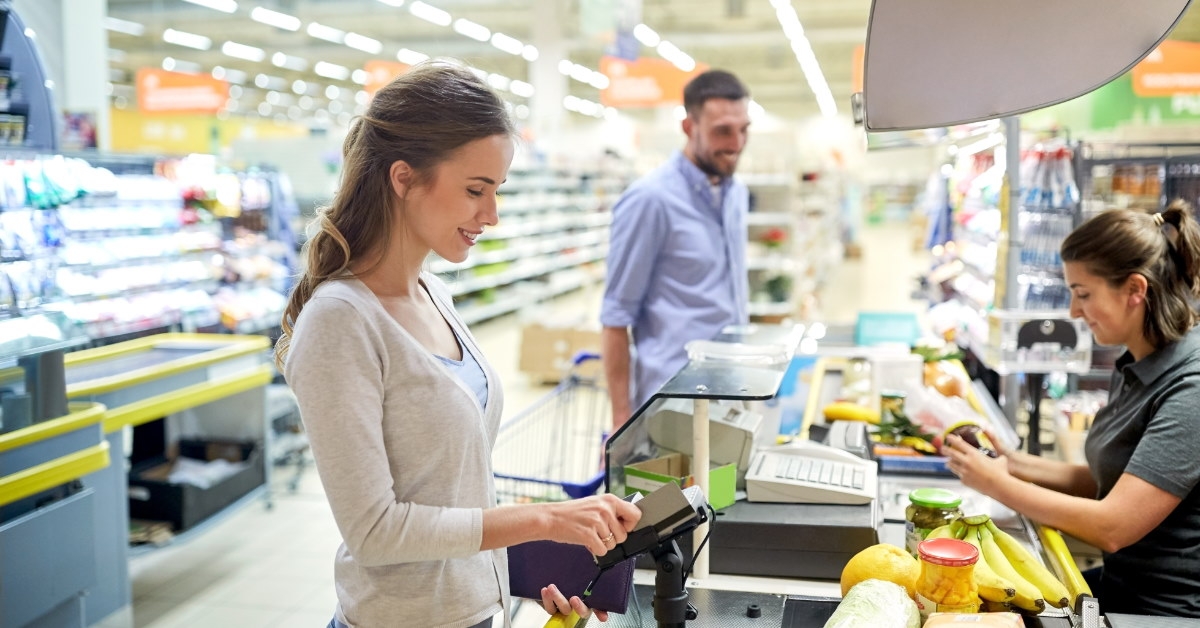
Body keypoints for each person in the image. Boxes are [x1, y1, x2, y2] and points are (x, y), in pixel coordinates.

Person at [276, 62, 641, 628]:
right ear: (404, 178)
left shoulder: (434, 294)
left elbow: (455, 496)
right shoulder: (341, 323)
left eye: (496, 191)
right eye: (475, 190)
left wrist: (543, 565)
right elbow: (375, 532)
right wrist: (546, 519)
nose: (490, 215)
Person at [946, 201, 1200, 617]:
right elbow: (1108, 478)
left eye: (1083, 294)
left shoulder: (1190, 389)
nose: (1073, 311)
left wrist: (998, 485)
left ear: (1135, 290)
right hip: (1122, 586)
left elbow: (1113, 525)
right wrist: (1012, 463)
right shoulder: (1138, 363)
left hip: (1162, 613)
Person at [600, 70, 752, 429]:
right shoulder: (650, 201)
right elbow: (615, 318)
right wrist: (621, 419)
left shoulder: (735, 193)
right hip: (671, 403)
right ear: (689, 127)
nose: (736, 143)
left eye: (744, 129)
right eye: (722, 131)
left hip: (730, 389)